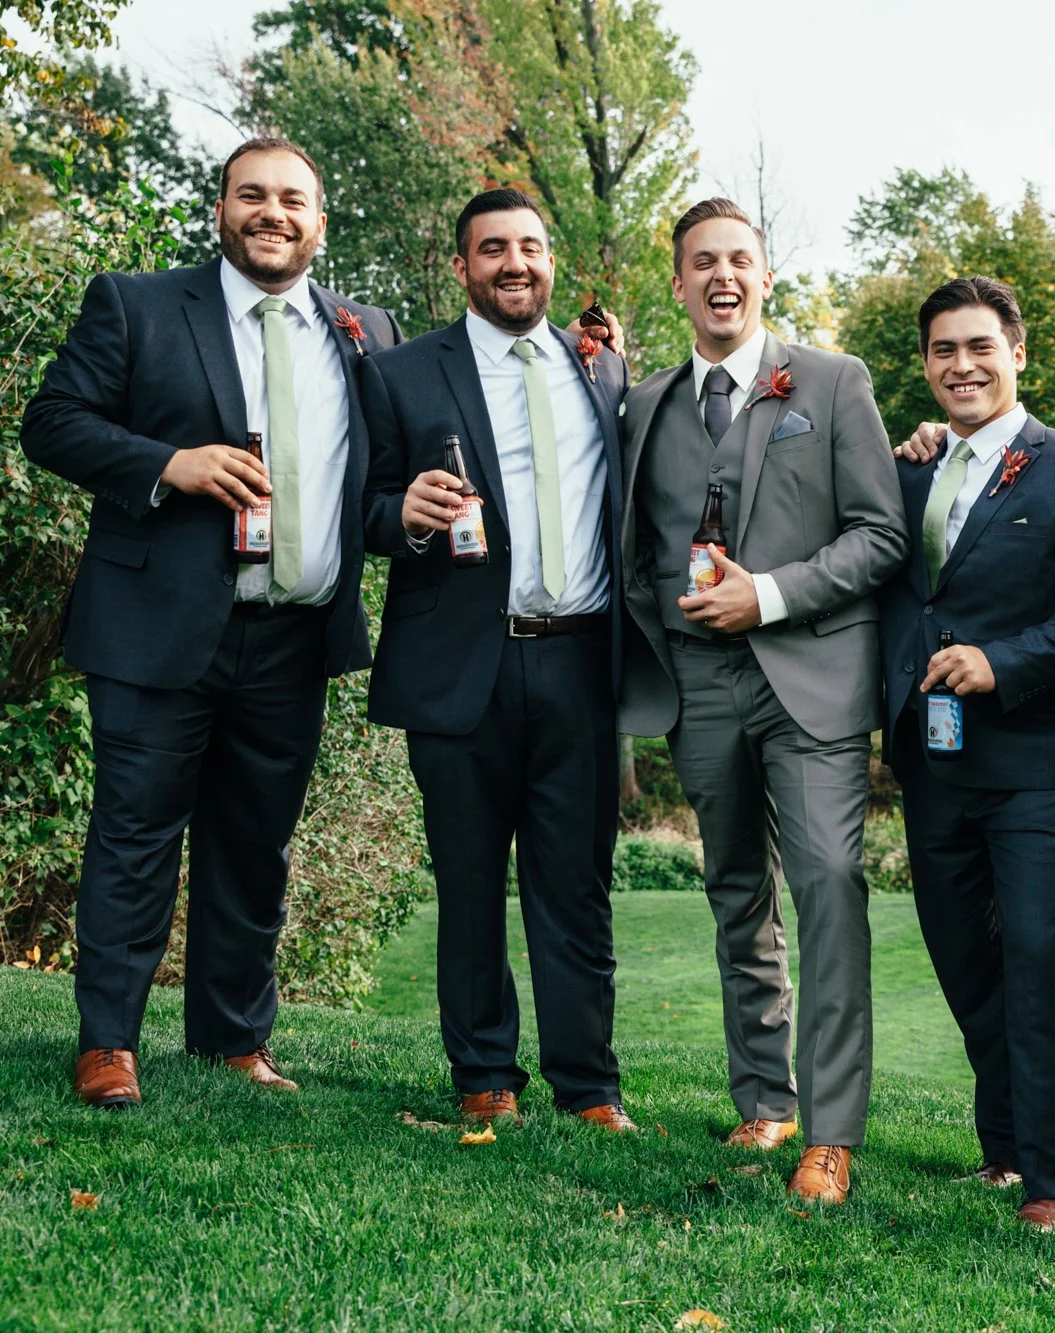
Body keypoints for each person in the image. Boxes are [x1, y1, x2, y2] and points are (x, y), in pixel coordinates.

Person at [22, 137, 399, 1109]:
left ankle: (233, 1039)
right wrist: (168, 464)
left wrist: (413, 514)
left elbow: (369, 488)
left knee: (254, 843)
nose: (272, 213)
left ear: (320, 221)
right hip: (158, 628)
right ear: (221, 208)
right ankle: (108, 1041)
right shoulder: (137, 304)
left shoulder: (365, 330)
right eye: (252, 195)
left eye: (292, 200)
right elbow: (52, 421)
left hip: (294, 636)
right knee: (134, 836)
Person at [618, 198, 905, 1203]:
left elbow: (880, 534)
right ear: (678, 281)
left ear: (765, 274)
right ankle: (762, 1097)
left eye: (739, 259)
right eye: (702, 262)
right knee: (735, 890)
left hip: (810, 679)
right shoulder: (645, 404)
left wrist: (770, 594)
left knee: (827, 882)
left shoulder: (831, 383)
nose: (721, 277)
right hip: (697, 686)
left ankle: (828, 1134)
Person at [360, 189, 637, 1132]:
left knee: (577, 889)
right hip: (461, 667)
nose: (514, 264)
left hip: (582, 663)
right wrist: (399, 514)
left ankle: (589, 1084)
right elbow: (357, 505)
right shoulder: (400, 373)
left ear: (549, 259)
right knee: (470, 886)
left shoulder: (603, 372)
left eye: (529, 247)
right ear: (461, 267)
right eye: (492, 250)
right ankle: (484, 1071)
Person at [878, 277, 1055, 1233]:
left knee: (1043, 957)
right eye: (943, 350)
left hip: (1038, 762)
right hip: (931, 761)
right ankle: (1006, 1147)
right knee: (964, 958)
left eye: (979, 347)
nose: (961, 365)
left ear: (1017, 354)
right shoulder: (912, 468)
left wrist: (1003, 663)